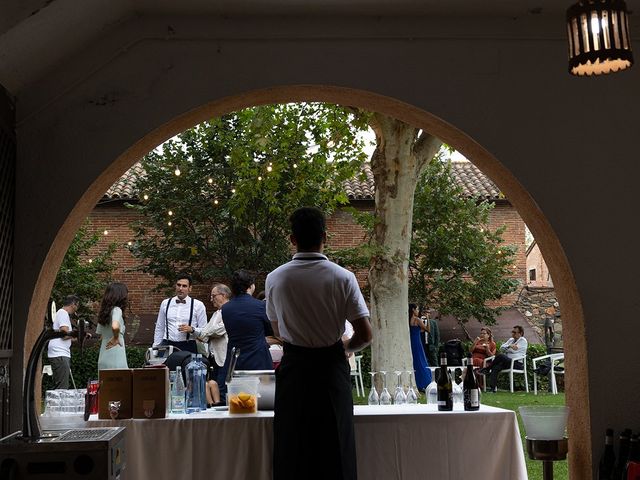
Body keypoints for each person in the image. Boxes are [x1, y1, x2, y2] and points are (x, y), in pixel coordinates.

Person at [266, 206, 372, 480]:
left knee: (292, 447)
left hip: (295, 368)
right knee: (336, 446)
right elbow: (365, 334)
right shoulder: (343, 277)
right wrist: (345, 348)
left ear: (292, 239)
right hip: (331, 367)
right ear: (325, 236)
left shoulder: (275, 278)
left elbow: (278, 329)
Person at [220, 270, 273, 382]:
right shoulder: (261, 306)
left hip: (235, 360)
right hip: (258, 359)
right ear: (250, 285)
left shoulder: (225, 309)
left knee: (237, 397)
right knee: (263, 398)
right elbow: (270, 330)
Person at [190, 282, 230, 406]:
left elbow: (220, 330)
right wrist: (205, 333)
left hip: (224, 356)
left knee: (223, 389)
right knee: (215, 385)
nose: (211, 299)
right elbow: (204, 336)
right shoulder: (215, 314)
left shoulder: (229, 310)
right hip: (213, 358)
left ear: (223, 295)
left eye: (213, 296)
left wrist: (206, 332)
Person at [153, 274, 207, 354]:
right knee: (165, 366)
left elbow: (204, 331)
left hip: (188, 345)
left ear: (190, 288)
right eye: (178, 285)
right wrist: (155, 348)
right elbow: (160, 327)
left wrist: (192, 329)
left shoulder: (198, 305)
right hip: (167, 344)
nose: (180, 288)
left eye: (184, 286)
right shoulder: (165, 303)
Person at [479, 325, 528, 393]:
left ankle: (487, 368)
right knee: (496, 367)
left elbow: (514, 351)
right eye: (512, 332)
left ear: (520, 333)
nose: (512, 333)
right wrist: (509, 346)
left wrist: (507, 349)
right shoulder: (511, 340)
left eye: (514, 332)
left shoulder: (523, 341)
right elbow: (501, 348)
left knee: (501, 356)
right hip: (507, 361)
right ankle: (493, 389)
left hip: (517, 363)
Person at [48, 295, 80, 389]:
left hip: (59, 353)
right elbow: (64, 334)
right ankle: (58, 404)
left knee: (61, 384)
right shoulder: (63, 313)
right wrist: (77, 334)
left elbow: (66, 336)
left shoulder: (61, 313)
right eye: (77, 305)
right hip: (60, 353)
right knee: (62, 387)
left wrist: (78, 337)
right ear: (73, 304)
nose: (76, 309)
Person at [96, 283, 129, 370]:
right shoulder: (117, 310)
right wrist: (115, 337)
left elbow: (101, 336)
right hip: (116, 357)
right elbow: (115, 326)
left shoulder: (104, 313)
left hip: (103, 357)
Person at [409, 304, 432, 391]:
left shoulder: (408, 320)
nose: (418, 311)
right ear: (413, 310)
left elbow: (419, 330)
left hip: (411, 342)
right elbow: (428, 330)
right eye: (417, 309)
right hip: (417, 343)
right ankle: (425, 383)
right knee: (422, 361)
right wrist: (427, 318)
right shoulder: (417, 320)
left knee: (415, 362)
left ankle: (417, 382)